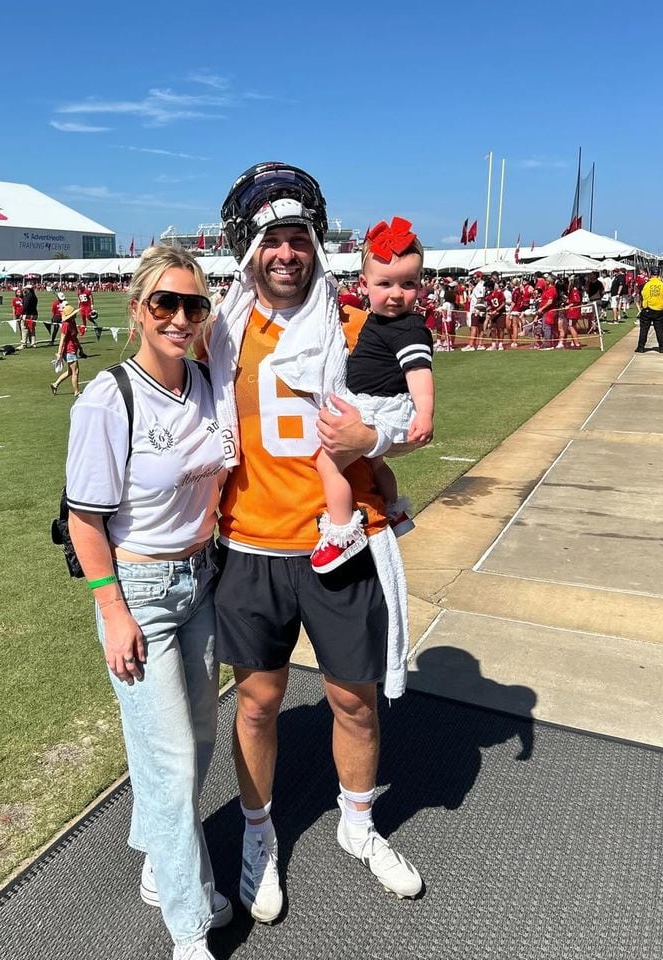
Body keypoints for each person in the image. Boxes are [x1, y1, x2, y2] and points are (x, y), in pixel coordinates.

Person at [209, 162, 424, 927]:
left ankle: (358, 823)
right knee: (259, 702)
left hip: (340, 542)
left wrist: (377, 436)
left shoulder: (358, 323)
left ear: (315, 245)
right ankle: (260, 836)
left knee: (352, 701)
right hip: (251, 544)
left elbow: (405, 415)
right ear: (249, 249)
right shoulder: (219, 329)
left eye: (298, 238)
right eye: (273, 239)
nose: (286, 253)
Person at [65, 245, 229, 960]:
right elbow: (82, 517)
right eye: (164, 302)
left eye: (192, 305)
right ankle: (188, 926)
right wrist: (112, 610)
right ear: (136, 310)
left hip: (202, 579)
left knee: (194, 744)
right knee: (168, 761)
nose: (179, 317)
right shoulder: (109, 397)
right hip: (140, 590)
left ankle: (159, 865)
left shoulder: (206, 379)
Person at [310, 218, 434, 572]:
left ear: (420, 286)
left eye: (407, 284)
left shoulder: (408, 328)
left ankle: (340, 530)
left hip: (381, 405)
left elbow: (419, 374)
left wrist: (424, 414)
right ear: (364, 285)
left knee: (327, 461)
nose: (396, 294)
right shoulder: (379, 322)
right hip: (378, 402)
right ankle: (394, 510)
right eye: (386, 284)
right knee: (376, 463)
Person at [50, 304, 82, 397]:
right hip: (69, 350)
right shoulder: (66, 325)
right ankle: (76, 392)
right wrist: (59, 353)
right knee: (75, 371)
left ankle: (55, 384)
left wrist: (80, 348)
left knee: (70, 372)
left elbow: (74, 337)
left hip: (73, 349)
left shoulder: (72, 322)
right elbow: (62, 339)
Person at [635, 272, 663, 353]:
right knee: (660, 330)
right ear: (659, 275)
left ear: (651, 274)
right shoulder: (662, 285)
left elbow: (643, 295)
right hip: (659, 309)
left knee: (644, 330)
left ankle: (641, 347)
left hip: (647, 309)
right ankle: (662, 347)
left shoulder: (647, 284)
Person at [19, 283, 38, 348]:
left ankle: (23, 343)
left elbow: (25, 306)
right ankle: (33, 343)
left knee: (24, 328)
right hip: (34, 314)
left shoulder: (27, 296)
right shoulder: (34, 296)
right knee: (32, 329)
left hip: (27, 314)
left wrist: (22, 314)